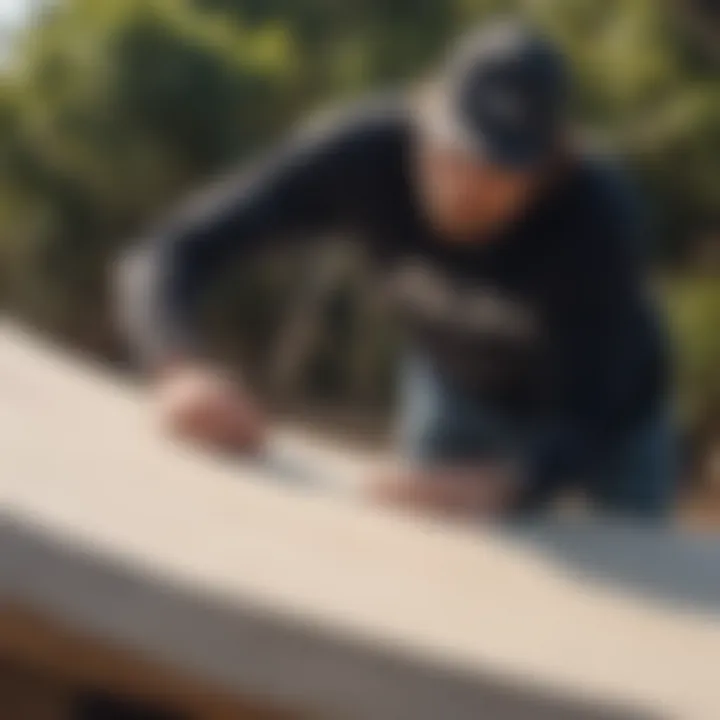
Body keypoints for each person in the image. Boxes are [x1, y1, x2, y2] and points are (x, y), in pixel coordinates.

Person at [116, 19, 676, 520]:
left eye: (499, 170)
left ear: (550, 167)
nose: (466, 188)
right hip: (456, 392)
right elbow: (169, 252)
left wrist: (511, 485)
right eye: (453, 152)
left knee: (628, 597)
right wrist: (178, 367)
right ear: (424, 110)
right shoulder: (362, 154)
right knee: (425, 574)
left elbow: (591, 410)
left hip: (610, 429)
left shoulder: (597, 214)